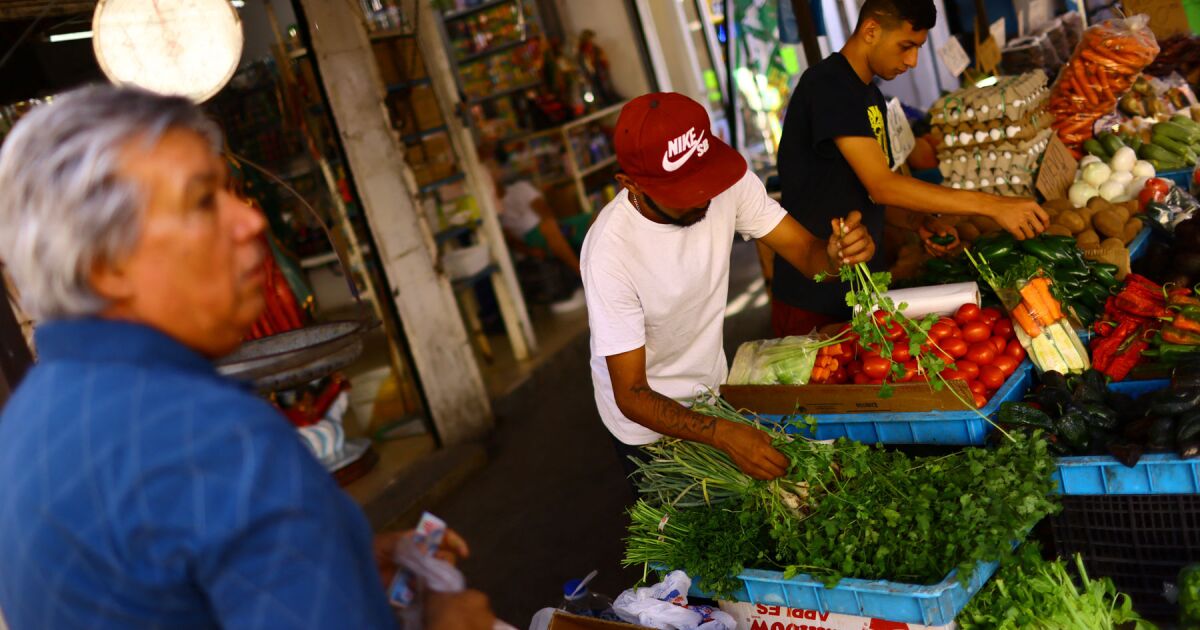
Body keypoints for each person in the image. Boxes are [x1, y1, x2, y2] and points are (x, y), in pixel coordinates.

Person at [0, 85, 493, 629]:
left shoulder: (26, 424)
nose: (251, 221)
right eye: (203, 200)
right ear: (104, 264)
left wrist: (340, 564)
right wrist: (453, 624)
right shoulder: (214, 438)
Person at [583, 93, 875, 482]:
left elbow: (807, 254)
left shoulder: (726, 184)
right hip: (647, 429)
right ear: (630, 184)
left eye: (704, 179)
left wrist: (837, 255)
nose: (704, 195)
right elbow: (631, 393)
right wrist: (723, 434)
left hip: (712, 392)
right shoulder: (610, 253)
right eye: (684, 191)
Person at [771, 0, 1050, 336]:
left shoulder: (869, 95)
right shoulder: (828, 86)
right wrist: (994, 205)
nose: (912, 61)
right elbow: (882, 185)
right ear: (871, 30)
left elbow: (863, 191)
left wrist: (917, 222)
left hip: (860, 289)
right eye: (906, 46)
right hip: (813, 296)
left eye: (918, 47)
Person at [483, 147, 588, 276]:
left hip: (552, 227)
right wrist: (530, 251)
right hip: (532, 239)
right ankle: (581, 272)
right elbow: (510, 239)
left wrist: (557, 228)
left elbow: (545, 212)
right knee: (549, 229)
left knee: (592, 219)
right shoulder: (493, 210)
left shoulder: (520, 188)